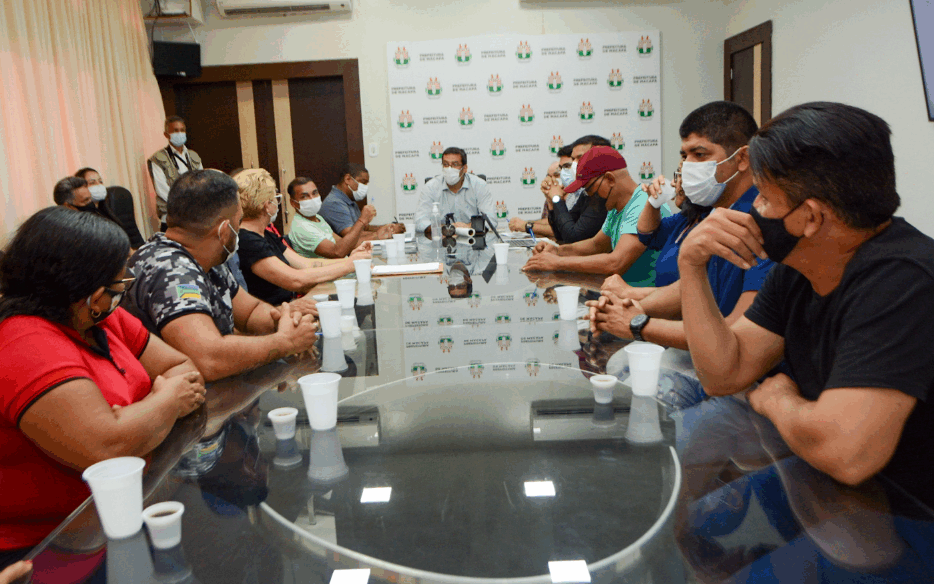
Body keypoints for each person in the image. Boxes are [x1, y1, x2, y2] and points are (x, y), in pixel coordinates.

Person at [676, 102, 934, 508]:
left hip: (904, 516)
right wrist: (691, 265)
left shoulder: (904, 281)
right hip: (825, 487)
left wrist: (776, 400)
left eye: (764, 198)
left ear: (810, 217)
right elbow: (723, 374)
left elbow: (846, 454)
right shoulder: (799, 266)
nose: (754, 210)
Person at [0, 207, 205, 561]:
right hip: (46, 548)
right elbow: (107, 452)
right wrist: (166, 400)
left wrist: (135, 418)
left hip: (116, 516)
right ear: (93, 293)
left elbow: (184, 368)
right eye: (119, 282)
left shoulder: (98, 319)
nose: (124, 288)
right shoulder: (25, 342)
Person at [590, 102, 774, 349]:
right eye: (684, 156)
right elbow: (690, 288)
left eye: (700, 155)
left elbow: (738, 337)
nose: (687, 167)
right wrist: (631, 306)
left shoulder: (758, 221)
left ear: (742, 159)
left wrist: (637, 322)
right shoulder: (715, 213)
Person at [123, 170, 318, 382]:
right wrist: (285, 342)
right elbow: (209, 359)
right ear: (224, 230)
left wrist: (284, 319)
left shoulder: (206, 254)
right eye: (239, 221)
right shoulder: (171, 269)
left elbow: (250, 312)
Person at [523, 146, 669, 284]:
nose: (589, 196)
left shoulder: (642, 204)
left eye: (589, 189)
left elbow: (616, 263)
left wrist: (556, 262)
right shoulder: (616, 207)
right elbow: (596, 245)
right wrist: (557, 250)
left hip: (646, 297)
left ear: (610, 179)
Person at [234, 168, 371, 305]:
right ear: (267, 205)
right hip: (277, 310)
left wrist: (353, 260)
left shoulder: (265, 234)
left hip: (289, 304)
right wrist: (350, 264)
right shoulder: (248, 241)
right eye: (275, 197)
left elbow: (306, 264)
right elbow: (295, 280)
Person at [414, 147, 498, 235]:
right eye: (446, 164)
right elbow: (419, 221)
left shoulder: (479, 185)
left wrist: (468, 227)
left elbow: (491, 220)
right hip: (442, 239)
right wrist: (447, 229)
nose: (449, 169)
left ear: (464, 168)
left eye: (455, 164)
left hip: (473, 239)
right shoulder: (431, 187)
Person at [543, 135, 612, 243]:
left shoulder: (604, 194)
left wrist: (557, 198)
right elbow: (561, 234)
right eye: (573, 160)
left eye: (580, 158)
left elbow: (573, 237)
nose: (574, 165)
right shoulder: (586, 193)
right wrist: (551, 201)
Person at [287, 177, 374, 259]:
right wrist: (362, 221)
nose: (312, 199)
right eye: (304, 196)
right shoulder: (301, 227)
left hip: (343, 266)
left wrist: (355, 252)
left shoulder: (317, 218)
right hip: (335, 270)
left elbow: (341, 243)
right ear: (293, 203)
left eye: (314, 193)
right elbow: (337, 252)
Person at [318, 163, 401, 243]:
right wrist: (384, 233)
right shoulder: (334, 203)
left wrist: (387, 227)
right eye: (363, 182)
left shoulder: (349, 200)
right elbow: (351, 235)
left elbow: (364, 228)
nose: (365, 187)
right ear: (348, 179)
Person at [148, 115, 203, 228]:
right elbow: (162, 190)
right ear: (166, 135)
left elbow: (203, 182)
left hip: (195, 217)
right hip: (172, 219)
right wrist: (185, 205)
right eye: (175, 131)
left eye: (182, 130)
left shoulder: (194, 156)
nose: (180, 133)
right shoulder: (158, 159)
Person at [75, 167, 146, 249]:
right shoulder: (82, 219)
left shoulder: (107, 210)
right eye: (92, 183)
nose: (99, 185)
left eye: (100, 181)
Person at [508, 148, 569, 238]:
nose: (552, 179)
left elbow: (562, 230)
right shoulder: (551, 195)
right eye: (549, 176)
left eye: (556, 175)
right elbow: (549, 222)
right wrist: (525, 223)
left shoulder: (573, 197)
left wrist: (526, 226)